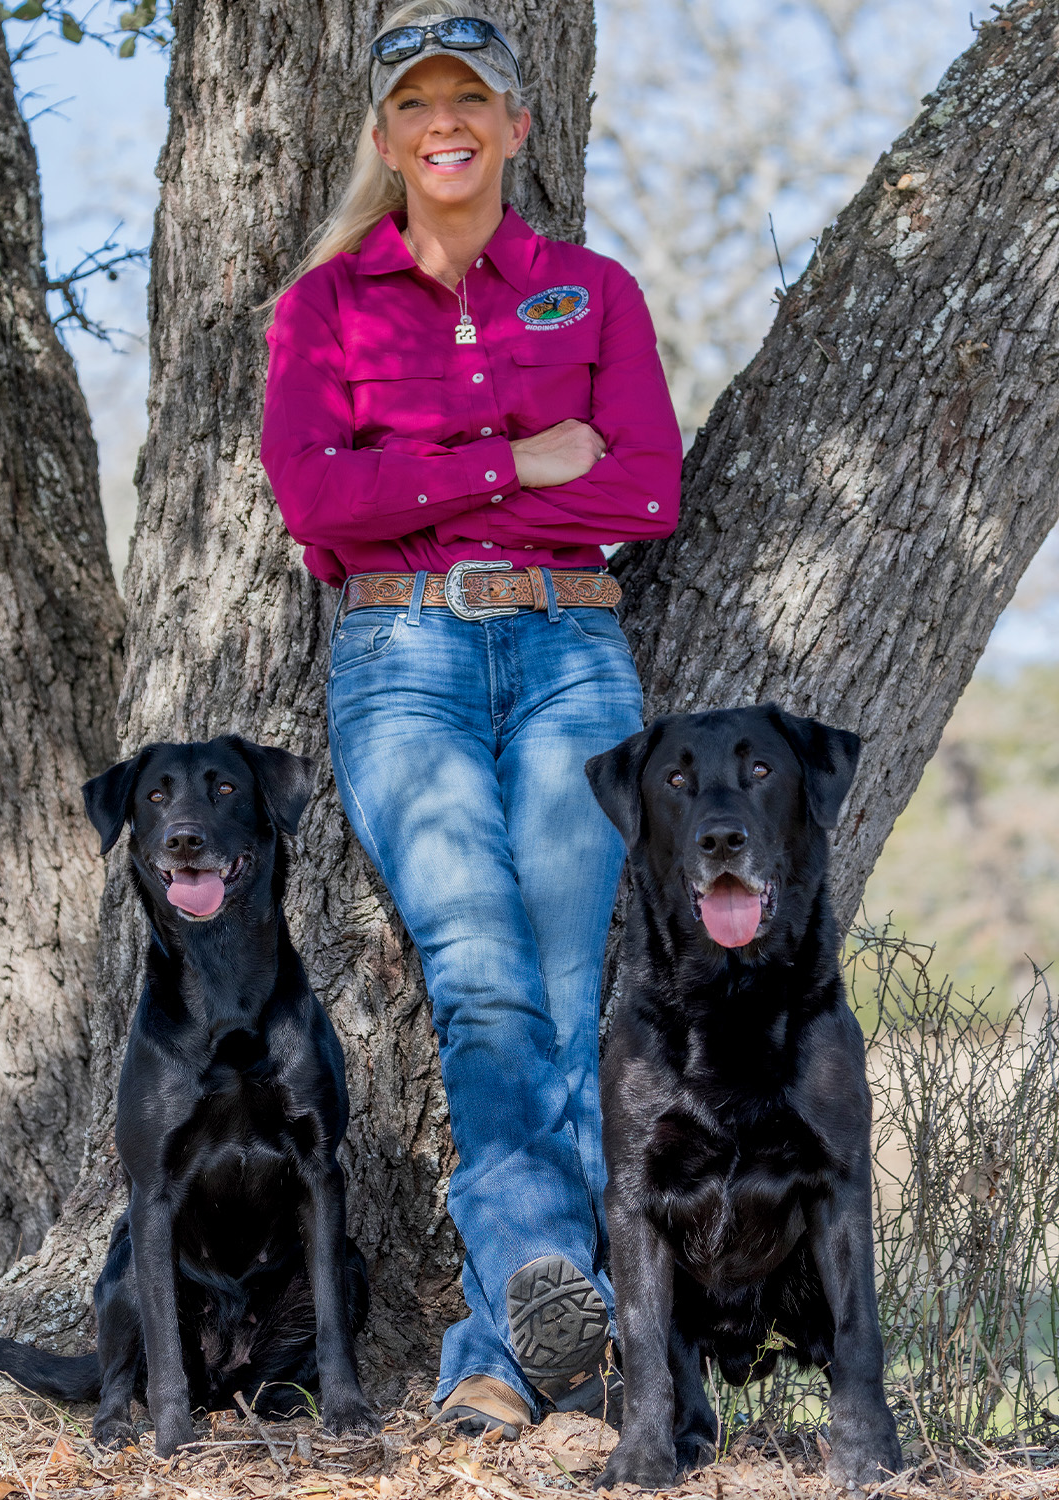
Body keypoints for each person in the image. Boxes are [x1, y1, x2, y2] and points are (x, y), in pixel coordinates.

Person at [260, 1, 681, 1441]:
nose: (445, 123)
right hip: (405, 661)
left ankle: (503, 1358)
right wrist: (515, 459)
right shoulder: (325, 309)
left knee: (566, 995)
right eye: (416, 105)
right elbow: (319, 500)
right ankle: (552, 1317)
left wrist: (424, 477)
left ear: (514, 125)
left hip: (572, 655)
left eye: (470, 101)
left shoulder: (591, 293)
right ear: (386, 139)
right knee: (484, 984)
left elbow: (644, 491)